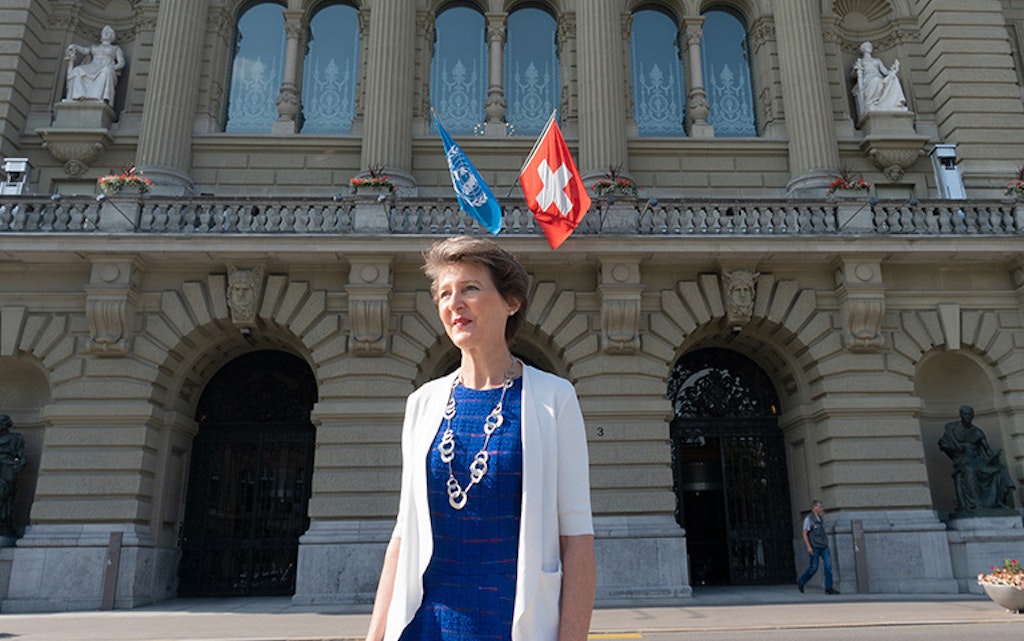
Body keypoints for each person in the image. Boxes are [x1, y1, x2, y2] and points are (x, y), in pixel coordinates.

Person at [366, 236, 595, 641]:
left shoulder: (553, 399)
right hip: (424, 626)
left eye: (470, 288)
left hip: (514, 624)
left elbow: (576, 542)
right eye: (444, 293)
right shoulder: (422, 403)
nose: (454, 303)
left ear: (511, 302)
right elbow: (403, 536)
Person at [938, 405, 1015, 512]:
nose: (968, 417)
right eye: (966, 414)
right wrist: (955, 450)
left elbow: (987, 449)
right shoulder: (952, 429)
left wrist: (994, 456)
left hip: (978, 461)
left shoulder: (977, 432)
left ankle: (998, 502)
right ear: (961, 415)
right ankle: (975, 504)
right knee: (969, 471)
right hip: (962, 461)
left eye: (970, 414)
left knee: (1000, 470)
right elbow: (943, 445)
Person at [64, 25, 125, 104]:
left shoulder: (115, 48)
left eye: (109, 32)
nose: (106, 33)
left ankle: (97, 97)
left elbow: (121, 62)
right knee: (77, 70)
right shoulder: (94, 46)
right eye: (104, 32)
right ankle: (78, 96)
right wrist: (75, 46)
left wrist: (112, 67)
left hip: (105, 67)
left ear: (112, 36)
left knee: (105, 71)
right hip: (92, 66)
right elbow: (85, 51)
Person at [851, 41, 907, 118]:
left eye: (870, 46)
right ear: (863, 49)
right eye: (868, 46)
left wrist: (894, 70)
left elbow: (885, 72)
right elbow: (853, 75)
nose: (870, 47)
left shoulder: (877, 60)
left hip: (879, 78)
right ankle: (872, 102)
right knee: (876, 80)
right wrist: (856, 69)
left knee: (893, 78)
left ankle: (896, 103)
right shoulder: (861, 61)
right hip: (868, 80)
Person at [797, 500, 838, 595]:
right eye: (820, 507)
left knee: (828, 566)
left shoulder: (820, 518)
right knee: (813, 567)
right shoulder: (808, 519)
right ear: (815, 507)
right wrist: (808, 547)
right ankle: (802, 581)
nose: (821, 509)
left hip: (824, 545)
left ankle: (829, 587)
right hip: (814, 546)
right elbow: (804, 533)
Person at [0, 414, 26, 537]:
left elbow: (22, 459)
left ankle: (3, 524)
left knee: (3, 497)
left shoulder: (15, 438)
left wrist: (16, 467)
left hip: (6, 472)